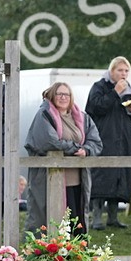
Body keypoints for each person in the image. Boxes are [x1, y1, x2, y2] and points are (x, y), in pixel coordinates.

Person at [24, 82, 102, 238]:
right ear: (52, 95)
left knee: (75, 225)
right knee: (49, 223)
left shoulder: (82, 117)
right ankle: (45, 257)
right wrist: (74, 148)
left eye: (66, 94)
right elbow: (48, 141)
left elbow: (96, 142)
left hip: (77, 182)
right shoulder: (44, 115)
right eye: (59, 94)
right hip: (49, 180)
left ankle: (76, 260)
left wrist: (86, 150)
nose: (63, 97)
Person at [86, 56, 131, 229]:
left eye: (126, 71)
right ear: (111, 71)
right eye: (120, 70)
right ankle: (96, 217)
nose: (123, 74)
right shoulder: (99, 87)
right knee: (102, 175)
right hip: (104, 138)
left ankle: (113, 217)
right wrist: (115, 93)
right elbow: (95, 108)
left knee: (120, 176)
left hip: (124, 140)